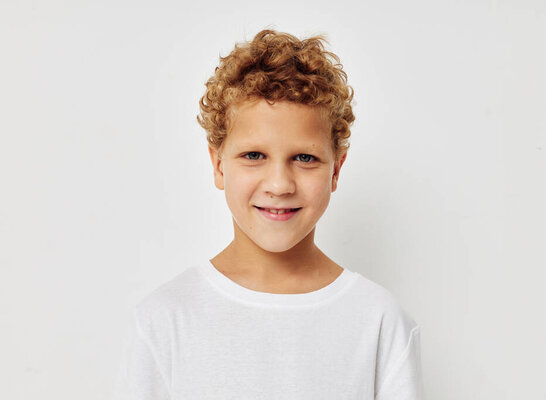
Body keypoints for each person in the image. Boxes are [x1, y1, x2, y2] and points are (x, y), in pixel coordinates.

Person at [114, 28, 424, 399]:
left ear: (336, 170)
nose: (279, 184)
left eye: (305, 158)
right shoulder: (164, 320)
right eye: (254, 156)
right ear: (218, 165)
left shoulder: (379, 321)